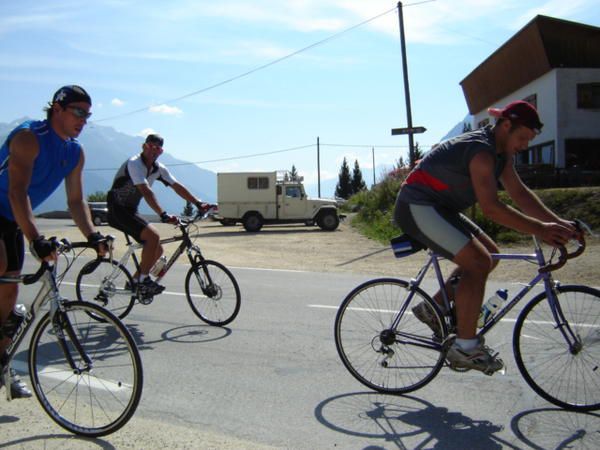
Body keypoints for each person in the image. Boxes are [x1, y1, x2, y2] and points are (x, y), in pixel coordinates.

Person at [393, 100, 576, 374]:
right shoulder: (482, 153)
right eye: (522, 137)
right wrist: (541, 229)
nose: (525, 145)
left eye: (530, 139)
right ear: (505, 126)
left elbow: (520, 194)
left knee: (489, 256)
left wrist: (558, 223)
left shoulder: (501, 153)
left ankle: (435, 308)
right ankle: (465, 348)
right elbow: (491, 208)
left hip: (440, 207)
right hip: (416, 205)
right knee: (477, 262)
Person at [0, 85, 108, 398]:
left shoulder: (75, 151)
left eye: (87, 115)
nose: (83, 120)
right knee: (3, 267)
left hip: (12, 220)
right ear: (57, 108)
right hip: (5, 209)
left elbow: (76, 201)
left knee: (9, 294)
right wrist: (36, 240)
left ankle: (2, 369)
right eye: (78, 112)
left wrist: (92, 235)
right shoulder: (28, 138)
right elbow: (16, 192)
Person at [107, 133, 210, 299]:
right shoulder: (134, 163)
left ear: (161, 151)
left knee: (157, 248)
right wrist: (162, 214)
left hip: (131, 209)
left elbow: (176, 186)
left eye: (157, 148)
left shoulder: (158, 168)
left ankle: (134, 282)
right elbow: (146, 191)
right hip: (117, 208)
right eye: (150, 146)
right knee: (153, 236)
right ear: (144, 146)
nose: (153, 151)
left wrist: (198, 203)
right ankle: (143, 280)